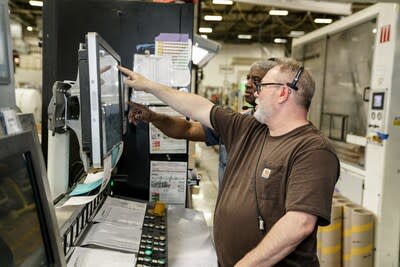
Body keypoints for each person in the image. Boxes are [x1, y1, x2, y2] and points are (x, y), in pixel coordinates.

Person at [118, 59, 339, 266]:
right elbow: (197, 107)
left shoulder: (313, 150)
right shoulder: (248, 126)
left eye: (263, 86)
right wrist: (149, 86)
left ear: (282, 93)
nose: (257, 93)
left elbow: (298, 224)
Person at [129, 60, 279, 188]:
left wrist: (149, 85)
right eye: (248, 79)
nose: (248, 84)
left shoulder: (282, 131)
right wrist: (154, 117)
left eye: (257, 80)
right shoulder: (237, 122)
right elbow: (187, 129)